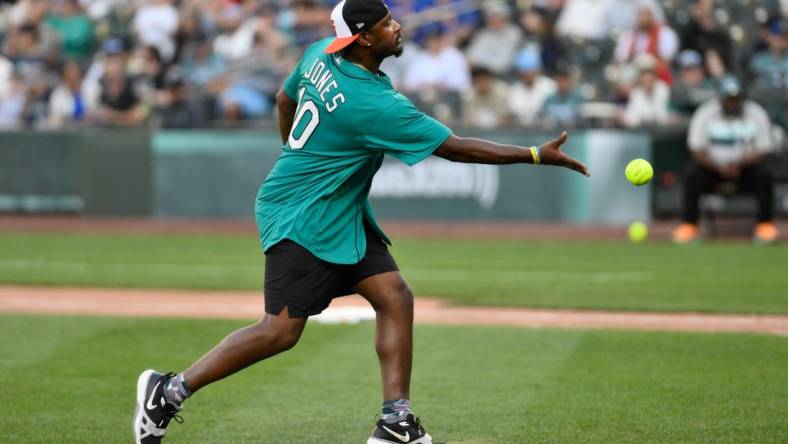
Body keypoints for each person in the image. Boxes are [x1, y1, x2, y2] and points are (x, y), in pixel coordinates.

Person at [132, 1, 589, 443]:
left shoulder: (319, 53)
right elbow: (454, 147)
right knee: (279, 331)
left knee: (394, 295)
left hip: (334, 208)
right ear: (364, 38)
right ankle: (168, 392)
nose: (398, 27)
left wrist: (293, 153)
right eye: (388, 23)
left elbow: (282, 97)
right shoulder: (373, 103)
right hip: (302, 214)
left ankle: (395, 421)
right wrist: (533, 154)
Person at [672, 76, 779, 244]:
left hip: (745, 169)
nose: (732, 103)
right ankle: (688, 226)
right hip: (713, 168)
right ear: (721, 98)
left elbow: (763, 149)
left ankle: (765, 226)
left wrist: (739, 164)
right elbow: (696, 149)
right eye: (729, 99)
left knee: (764, 175)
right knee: (692, 173)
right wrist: (718, 166)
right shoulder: (706, 113)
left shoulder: (756, 113)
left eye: (736, 99)